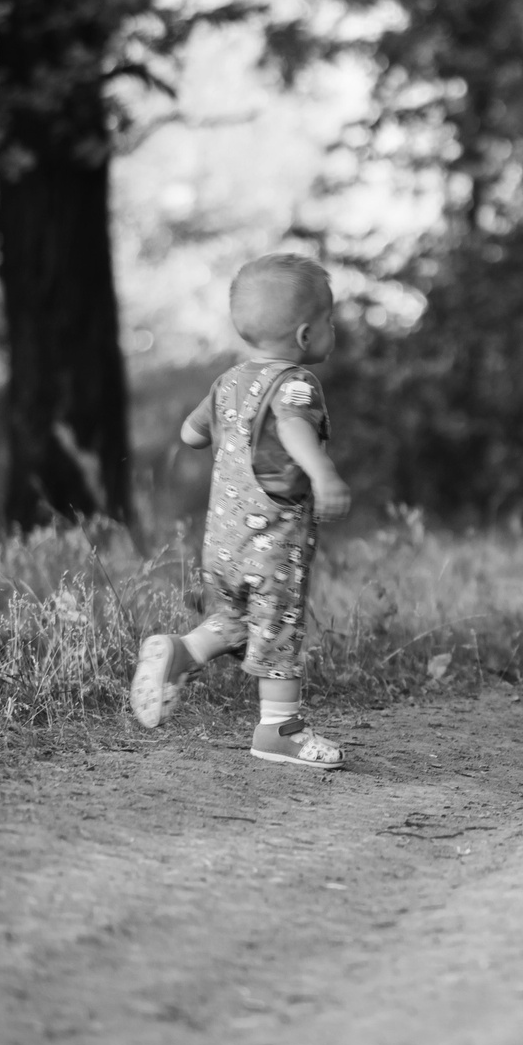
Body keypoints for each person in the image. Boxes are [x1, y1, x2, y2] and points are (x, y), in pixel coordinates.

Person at [131, 253, 353, 770]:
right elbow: (295, 426)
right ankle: (279, 731)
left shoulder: (228, 381)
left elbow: (190, 434)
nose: (333, 330)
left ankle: (180, 653)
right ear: (304, 335)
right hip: (273, 545)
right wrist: (321, 473)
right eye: (329, 321)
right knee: (280, 628)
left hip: (223, 543)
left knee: (234, 620)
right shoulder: (297, 381)